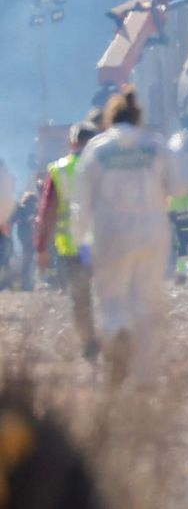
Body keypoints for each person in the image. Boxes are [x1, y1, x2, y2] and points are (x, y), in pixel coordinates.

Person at [71, 88, 185, 386]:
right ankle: (145, 376)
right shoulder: (155, 146)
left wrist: (81, 239)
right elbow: (180, 186)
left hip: (111, 233)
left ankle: (117, 339)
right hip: (151, 232)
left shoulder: (97, 149)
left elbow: (81, 201)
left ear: (110, 119)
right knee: (146, 301)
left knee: (112, 299)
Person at [36, 123, 98, 359]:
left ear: (71, 142)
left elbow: (47, 212)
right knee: (113, 294)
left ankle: (89, 345)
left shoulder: (60, 169)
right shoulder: (105, 166)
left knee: (80, 298)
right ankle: (120, 340)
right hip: (107, 244)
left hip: (72, 247)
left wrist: (42, 248)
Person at [13, 188, 36, 290]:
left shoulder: (30, 208)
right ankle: (24, 277)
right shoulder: (22, 208)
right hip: (24, 233)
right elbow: (17, 220)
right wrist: (28, 220)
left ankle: (26, 277)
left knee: (29, 254)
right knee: (28, 254)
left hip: (27, 233)